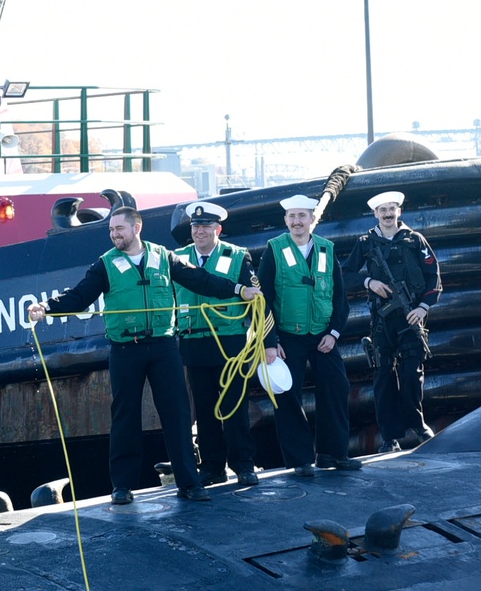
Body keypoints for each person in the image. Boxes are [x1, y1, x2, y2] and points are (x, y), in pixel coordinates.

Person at [27, 206, 261, 505]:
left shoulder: (164, 257)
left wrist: (239, 290)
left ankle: (189, 482)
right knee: (125, 416)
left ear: (136, 228)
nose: (114, 235)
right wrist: (47, 307)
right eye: (111, 230)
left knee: (176, 415)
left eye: (119, 229)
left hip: (163, 347)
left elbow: (200, 280)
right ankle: (123, 486)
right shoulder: (105, 265)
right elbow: (80, 296)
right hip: (126, 349)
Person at [257, 194, 361, 476]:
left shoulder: (327, 250)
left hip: (322, 335)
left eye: (302, 216)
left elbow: (340, 297)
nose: (296, 222)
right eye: (291, 217)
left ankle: (333, 453)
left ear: (312, 219)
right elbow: (262, 299)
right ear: (285, 221)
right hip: (287, 337)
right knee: (287, 395)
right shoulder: (275, 249)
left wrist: (334, 333)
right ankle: (300, 460)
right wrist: (270, 342)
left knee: (336, 388)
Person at [342, 191, 442, 453]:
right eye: (382, 209)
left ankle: (417, 426)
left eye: (392, 208)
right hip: (381, 323)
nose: (387, 214)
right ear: (375, 213)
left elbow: (433, 277)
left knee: (411, 375)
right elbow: (346, 273)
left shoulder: (415, 240)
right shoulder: (366, 242)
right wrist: (369, 282)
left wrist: (422, 307)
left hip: (411, 318)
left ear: (399, 211)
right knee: (383, 379)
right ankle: (389, 437)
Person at [174, 202, 259, 487]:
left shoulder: (236, 256)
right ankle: (212, 467)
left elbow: (255, 296)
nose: (199, 231)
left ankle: (243, 465)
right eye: (195, 227)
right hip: (194, 340)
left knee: (235, 407)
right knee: (206, 408)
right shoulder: (178, 258)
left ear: (217, 229)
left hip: (230, 341)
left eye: (206, 227)